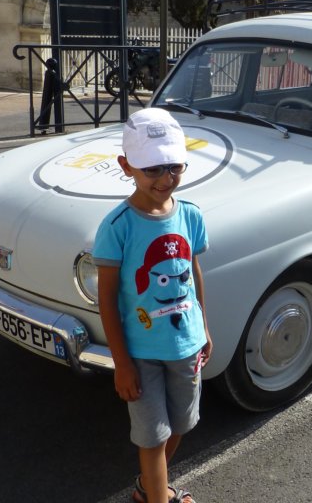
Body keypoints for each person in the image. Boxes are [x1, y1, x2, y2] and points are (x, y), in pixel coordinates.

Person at [93, 108, 211, 503]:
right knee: (152, 437)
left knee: (180, 425)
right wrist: (122, 363)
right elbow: (107, 299)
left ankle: (148, 489)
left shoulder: (191, 215)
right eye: (153, 169)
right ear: (126, 166)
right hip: (141, 354)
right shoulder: (118, 227)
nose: (165, 178)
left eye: (174, 167)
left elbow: (194, 275)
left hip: (186, 347)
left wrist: (204, 330)